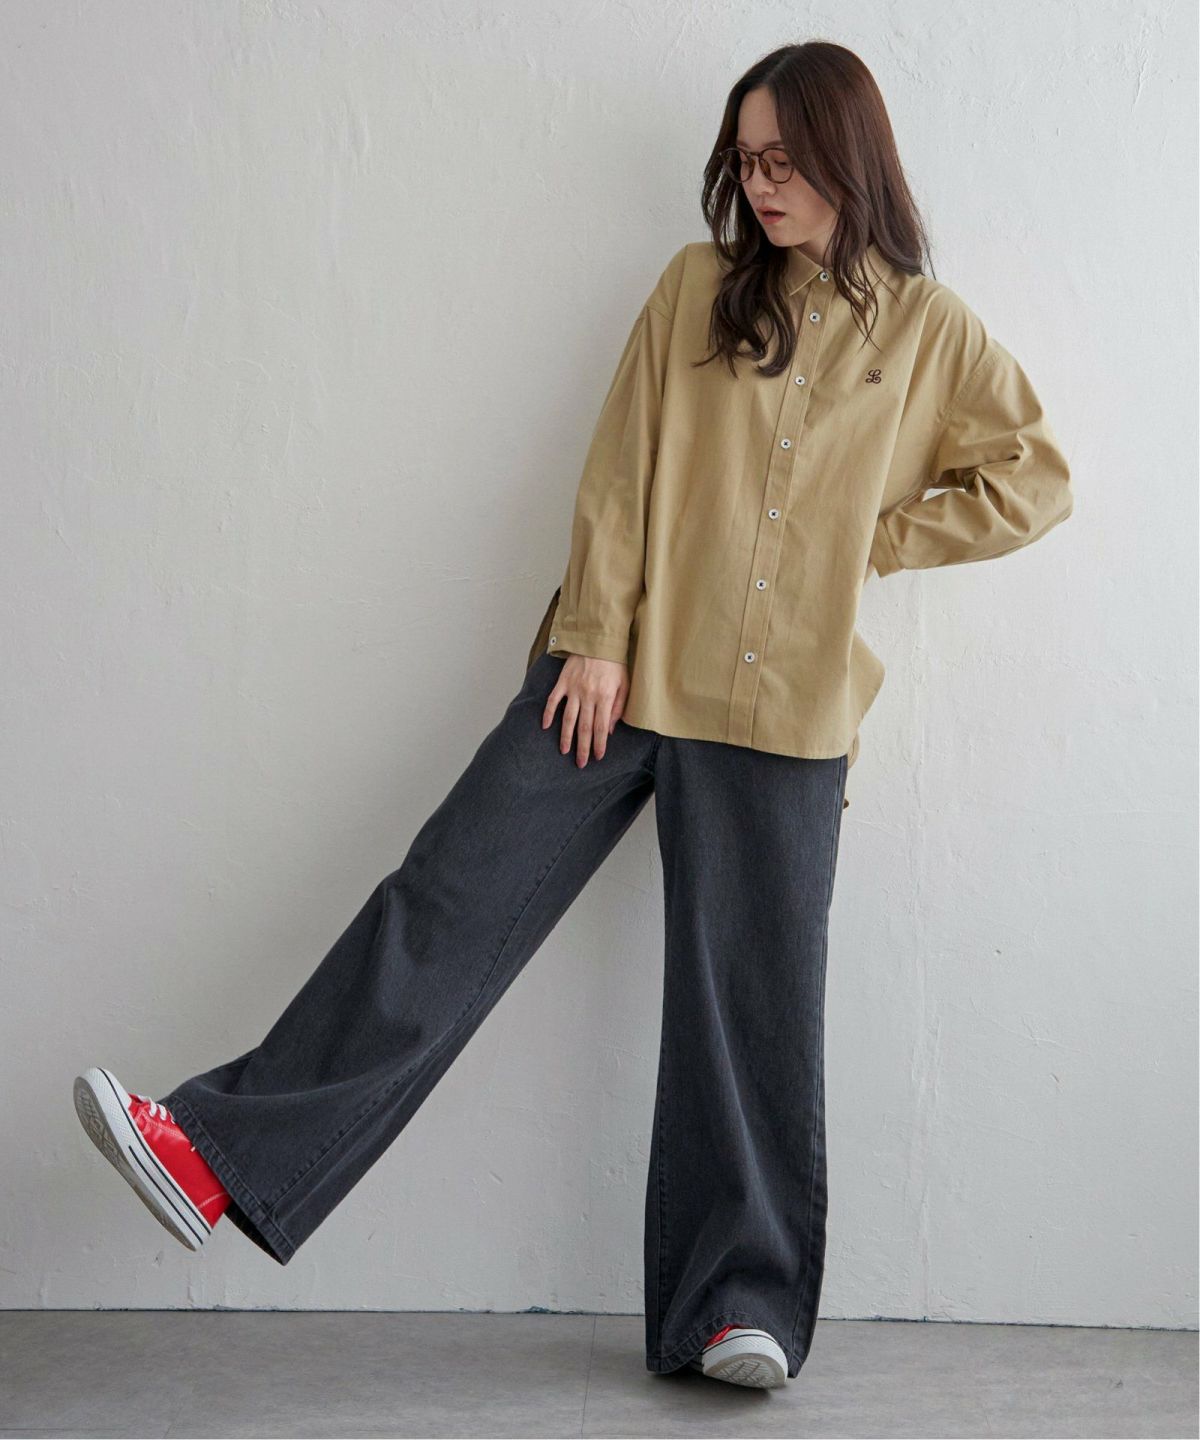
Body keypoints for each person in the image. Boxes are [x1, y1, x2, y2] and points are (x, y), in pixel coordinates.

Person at [72, 40, 1073, 1392]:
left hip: (785, 708)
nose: (760, 185)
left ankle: (734, 1309)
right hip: (616, 677)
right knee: (446, 900)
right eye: (746, 161)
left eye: (785, 160)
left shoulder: (928, 329)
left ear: (851, 157)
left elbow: (1033, 474)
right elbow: (623, 464)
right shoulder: (697, 288)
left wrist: (868, 544)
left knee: (749, 1013)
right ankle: (216, 1154)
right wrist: (595, 635)